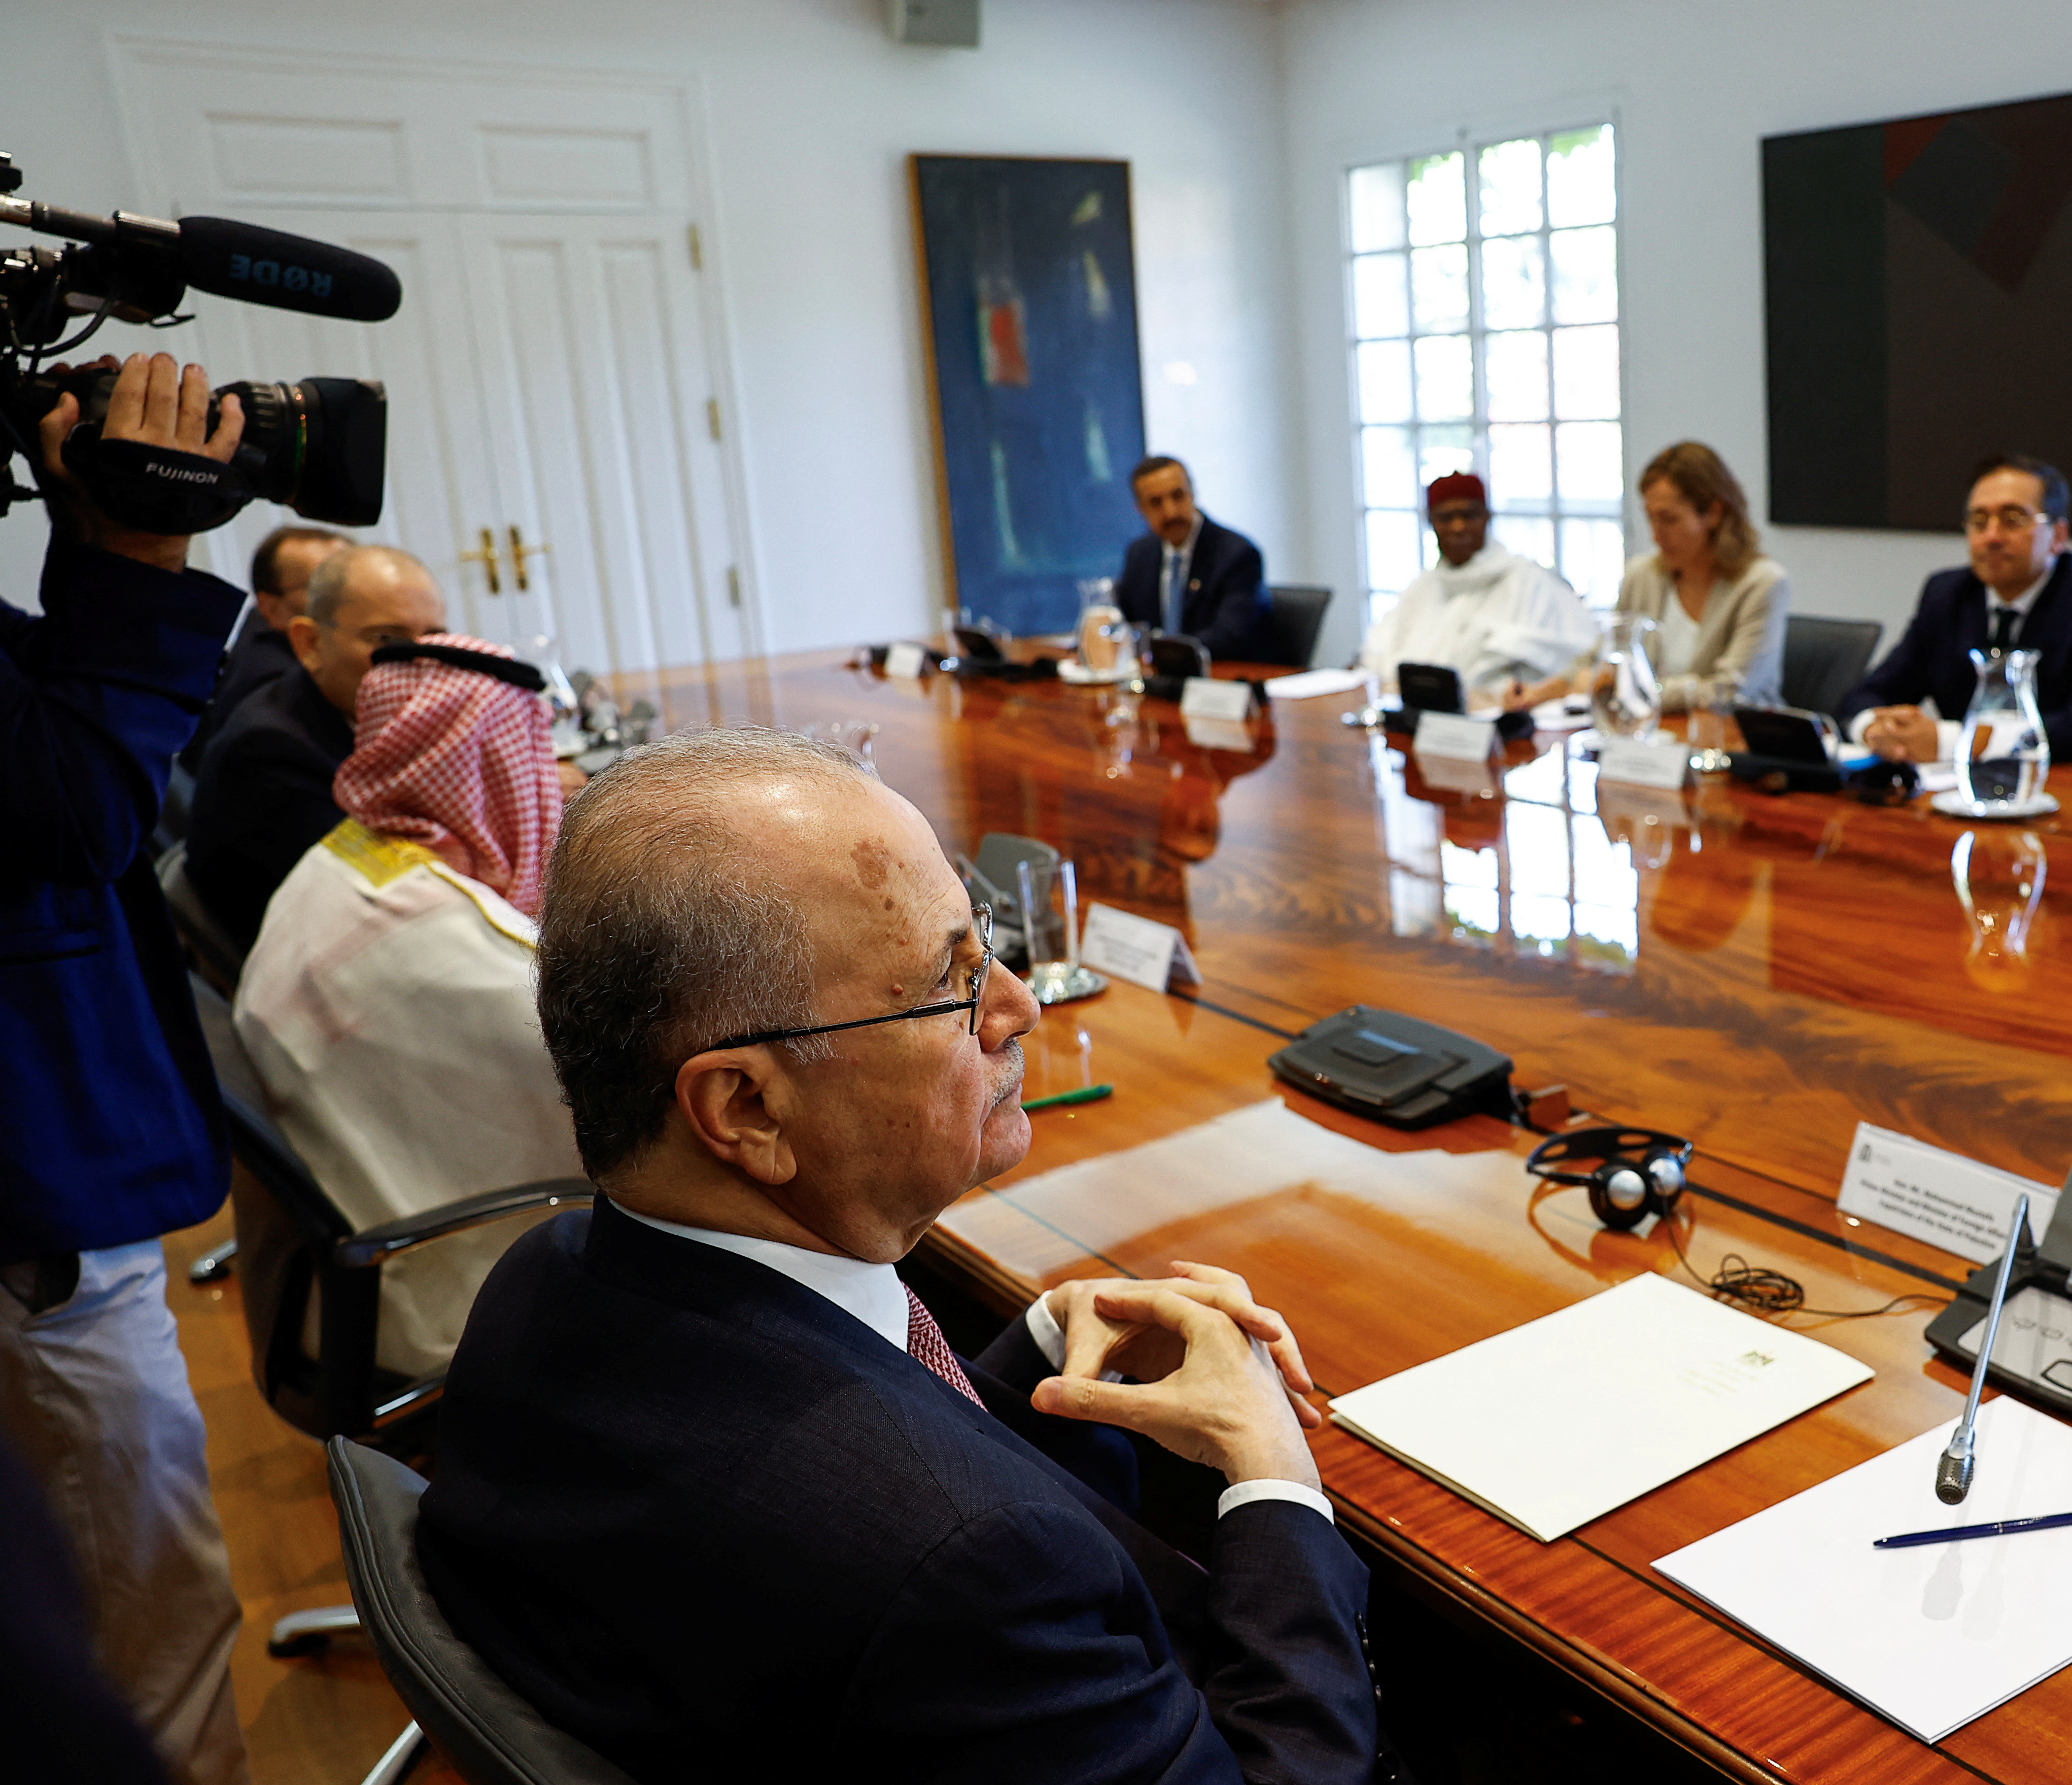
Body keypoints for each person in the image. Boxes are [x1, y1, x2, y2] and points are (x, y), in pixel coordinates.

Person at [418, 728, 1379, 1783]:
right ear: (746, 1105)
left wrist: (1049, 1342)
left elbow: (873, 1431)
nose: (1019, 1006)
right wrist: (1278, 1477)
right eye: (955, 981)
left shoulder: (550, 1275)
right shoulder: (969, 1570)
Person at [1, 352, 253, 1784]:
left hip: (51, 1197)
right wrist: (147, 541)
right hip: (37, 1217)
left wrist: (86, 532)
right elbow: (70, 803)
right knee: (148, 1632)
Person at [234, 634, 572, 1380]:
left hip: (339, 1251)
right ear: (496, 767)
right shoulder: (476, 958)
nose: (547, 781)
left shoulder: (341, 856)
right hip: (437, 1293)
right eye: (532, 754)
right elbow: (628, 1133)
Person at [185, 542, 445, 948]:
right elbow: (395, 895)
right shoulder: (270, 750)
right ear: (309, 644)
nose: (421, 661)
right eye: (386, 638)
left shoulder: (356, 712)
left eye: (433, 637)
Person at [1838, 455, 2072, 767]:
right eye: (1979, 522)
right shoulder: (1947, 594)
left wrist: (1948, 742)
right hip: (1963, 792)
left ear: (2058, 536)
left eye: (2012, 520)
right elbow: (1867, 695)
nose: (1992, 537)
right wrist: (1875, 730)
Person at [1511, 441, 1788, 712]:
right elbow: (1600, 658)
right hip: (1653, 739)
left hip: (1733, 742)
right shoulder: (1642, 575)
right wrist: (1540, 692)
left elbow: (1732, 690)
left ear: (1714, 514)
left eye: (1669, 519)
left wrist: (1629, 687)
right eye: (1651, 519)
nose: (1656, 534)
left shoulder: (1762, 583)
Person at [1358, 472, 1595, 705]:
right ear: (1431, 522)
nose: (1458, 527)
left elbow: (1576, 657)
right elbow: (1381, 655)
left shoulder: (1526, 580)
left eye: (1469, 516)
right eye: (1446, 518)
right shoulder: (1423, 587)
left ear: (1487, 516)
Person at [177, 523, 344, 773]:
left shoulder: (263, 624)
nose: (349, 597)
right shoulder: (276, 685)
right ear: (272, 606)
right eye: (322, 588)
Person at [1116, 455, 1274, 663]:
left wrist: (1160, 654)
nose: (1171, 512)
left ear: (1192, 493)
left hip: (1221, 677)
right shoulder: (1140, 553)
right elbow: (1126, 623)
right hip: (1160, 680)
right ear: (1140, 509)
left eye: (1178, 496)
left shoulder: (1237, 554)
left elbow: (1230, 637)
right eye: (1156, 503)